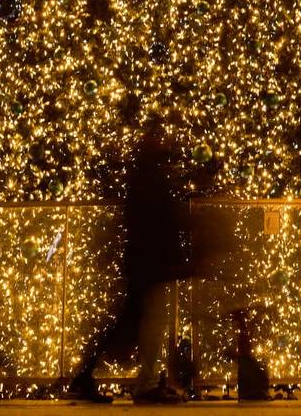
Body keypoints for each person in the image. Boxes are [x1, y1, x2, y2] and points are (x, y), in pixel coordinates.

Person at [67, 131, 190, 404]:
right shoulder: (153, 180)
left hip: (144, 264)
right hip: (152, 266)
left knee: (132, 325)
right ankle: (144, 385)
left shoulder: (142, 179)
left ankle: (89, 376)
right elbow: (161, 223)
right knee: (148, 325)